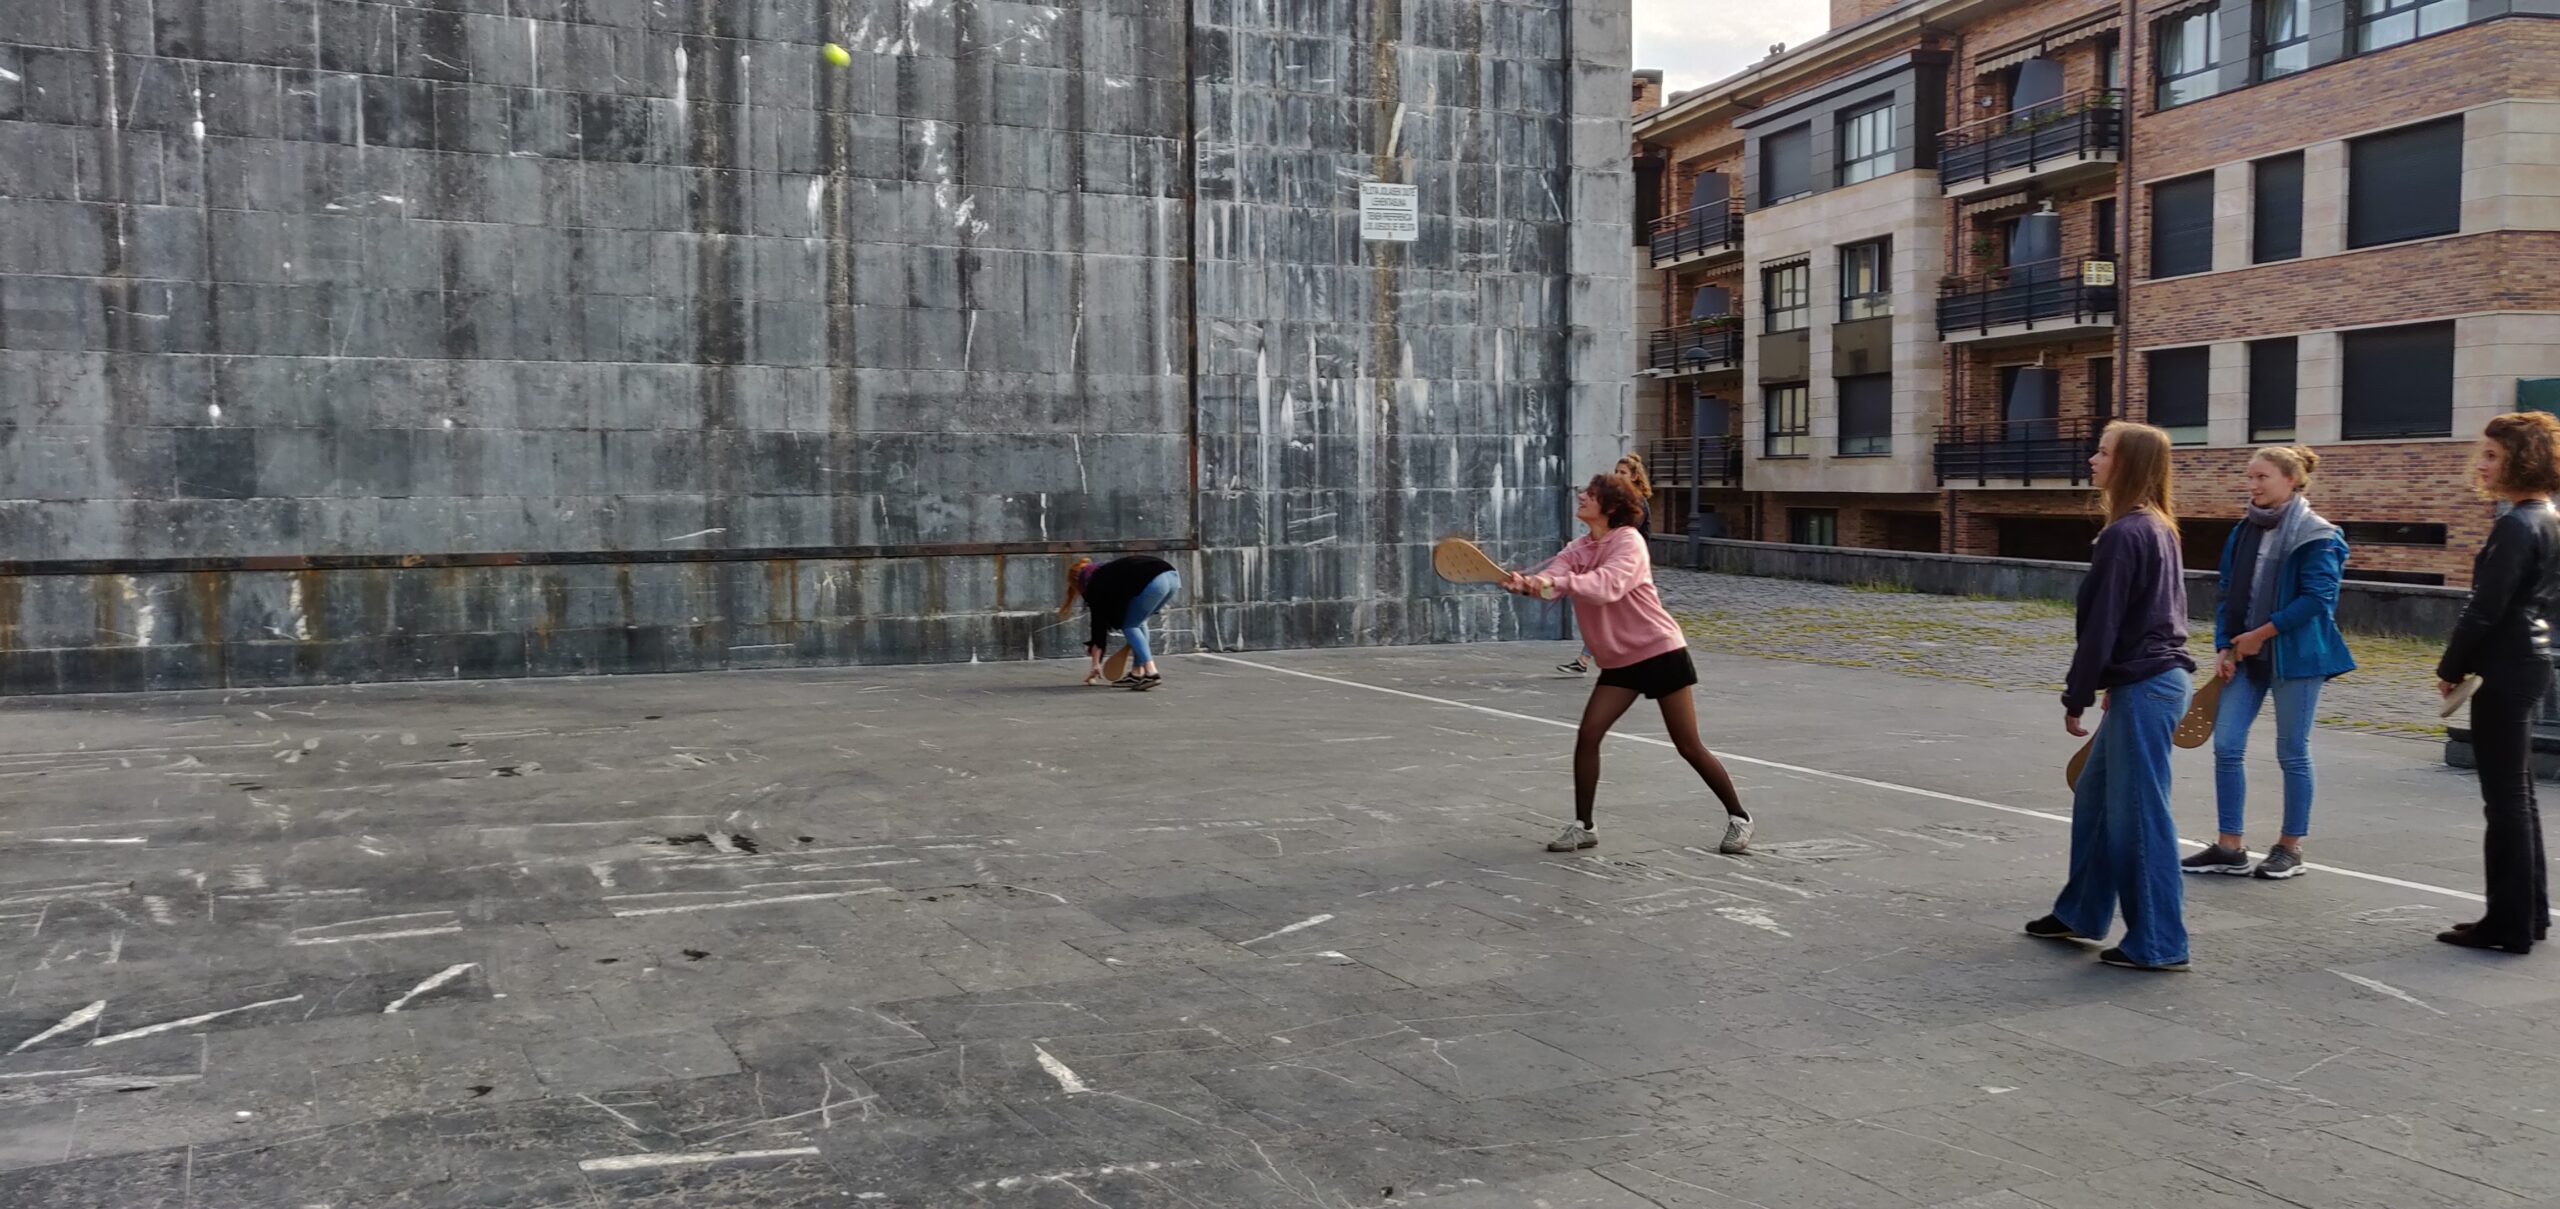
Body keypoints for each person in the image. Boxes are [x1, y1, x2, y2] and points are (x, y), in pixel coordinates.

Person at [1503, 473, 1754, 855]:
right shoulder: (1577, 549)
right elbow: (1553, 579)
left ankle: (1740, 817)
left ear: (1611, 506)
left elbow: (1606, 586)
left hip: (1661, 652)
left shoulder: (1629, 542)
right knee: (1589, 735)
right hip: (1620, 662)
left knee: (1688, 745)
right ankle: (1584, 826)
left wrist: (1555, 584)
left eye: (1591, 494)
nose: (1582, 497)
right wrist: (1527, 585)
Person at [2025, 421, 2196, 971]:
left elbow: (2102, 623)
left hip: (2147, 686)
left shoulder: (2126, 534)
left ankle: (2160, 943)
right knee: (2097, 799)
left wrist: (2077, 693)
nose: (2092, 460)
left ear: (2129, 464)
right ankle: (2081, 911)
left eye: (2102, 452)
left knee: (2139, 816)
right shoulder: (2157, 526)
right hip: (2148, 681)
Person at [2184, 447, 2355, 881]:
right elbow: (2228, 592)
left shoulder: (2319, 535)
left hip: (2297, 657)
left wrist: (2260, 635)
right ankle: (2229, 848)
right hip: (2244, 655)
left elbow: (2318, 600)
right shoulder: (2244, 530)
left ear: (2291, 480)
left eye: (2262, 477)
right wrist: (2224, 646)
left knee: (2292, 751)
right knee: (2226, 745)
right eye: (2250, 477)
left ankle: (2290, 848)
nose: (2253, 485)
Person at [2434, 412, 2560, 955]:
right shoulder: (2549, 517)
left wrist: (2450, 667)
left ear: (2521, 460)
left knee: (2505, 800)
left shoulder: (2516, 524)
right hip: (2530, 661)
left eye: (2492, 455)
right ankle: (2527, 915)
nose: (2481, 466)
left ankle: (2507, 925)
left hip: (2505, 666)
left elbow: (2484, 609)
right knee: (2519, 795)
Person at [1560, 453, 1656, 676]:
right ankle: (1586, 659)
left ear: (1635, 477)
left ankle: (1592, 658)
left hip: (1629, 568)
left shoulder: (1636, 504)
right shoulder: (1582, 543)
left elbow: (1625, 535)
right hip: (1616, 564)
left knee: (1622, 614)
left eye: (1623, 472)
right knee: (1609, 612)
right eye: (1616, 471)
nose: (1618, 475)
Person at [1059, 556, 1179, 690]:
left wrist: (1096, 664)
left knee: (1130, 626)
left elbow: (1098, 628)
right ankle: (1136, 673)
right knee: (1138, 622)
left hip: (1154, 582)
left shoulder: (1095, 584)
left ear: (1077, 582)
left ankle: (1151, 672)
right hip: (1172, 577)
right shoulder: (1106, 571)